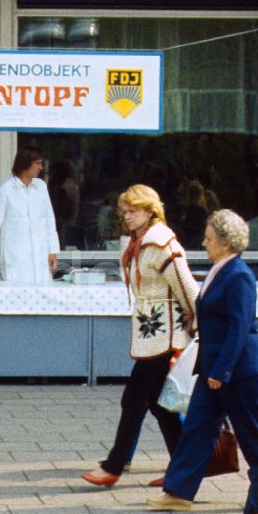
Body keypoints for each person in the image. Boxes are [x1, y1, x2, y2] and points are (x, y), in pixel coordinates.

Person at [148, 209, 258, 510]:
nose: (204, 242)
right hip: (213, 367)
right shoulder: (221, 269)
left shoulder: (239, 274)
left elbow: (239, 326)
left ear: (226, 243)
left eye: (210, 238)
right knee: (197, 427)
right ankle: (177, 492)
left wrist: (222, 370)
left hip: (235, 371)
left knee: (250, 432)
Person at [82, 185, 197, 487]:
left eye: (133, 210)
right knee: (158, 404)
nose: (127, 216)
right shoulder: (142, 241)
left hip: (165, 334)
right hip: (156, 331)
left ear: (150, 211)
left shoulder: (160, 244)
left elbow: (187, 288)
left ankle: (114, 466)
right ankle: (185, 467)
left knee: (134, 399)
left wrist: (194, 321)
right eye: (125, 211)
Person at [0, 145, 60, 284]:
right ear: (25, 163)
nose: (41, 167)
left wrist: (53, 250)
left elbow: (49, 220)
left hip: (40, 257)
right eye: (37, 163)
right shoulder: (6, 191)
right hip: (15, 258)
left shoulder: (41, 187)